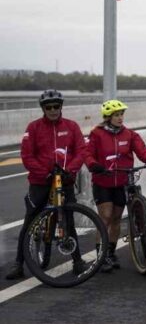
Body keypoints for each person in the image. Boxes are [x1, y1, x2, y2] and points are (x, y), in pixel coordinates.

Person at [7, 90, 87, 280]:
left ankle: (77, 261)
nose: (52, 110)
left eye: (56, 106)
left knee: (68, 221)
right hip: (40, 182)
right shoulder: (34, 128)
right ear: (43, 108)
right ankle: (18, 264)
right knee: (30, 221)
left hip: (65, 181)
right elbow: (27, 156)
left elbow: (81, 151)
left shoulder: (72, 126)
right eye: (48, 107)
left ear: (61, 107)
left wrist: (70, 170)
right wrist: (45, 173)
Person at [86, 100, 146, 272]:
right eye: (116, 115)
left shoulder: (129, 134)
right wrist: (94, 165)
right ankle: (101, 256)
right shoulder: (96, 134)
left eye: (122, 114)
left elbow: (143, 152)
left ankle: (110, 252)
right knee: (105, 216)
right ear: (108, 117)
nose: (120, 118)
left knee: (116, 218)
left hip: (122, 181)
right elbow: (88, 154)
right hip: (103, 181)